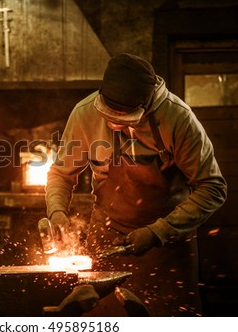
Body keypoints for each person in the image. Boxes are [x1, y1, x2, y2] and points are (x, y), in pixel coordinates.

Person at [45, 53, 227, 316]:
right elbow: (61, 174)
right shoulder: (84, 114)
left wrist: (159, 231)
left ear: (148, 103)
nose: (113, 123)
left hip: (167, 242)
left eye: (123, 118)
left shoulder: (179, 119)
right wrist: (57, 212)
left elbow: (212, 187)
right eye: (107, 115)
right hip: (107, 233)